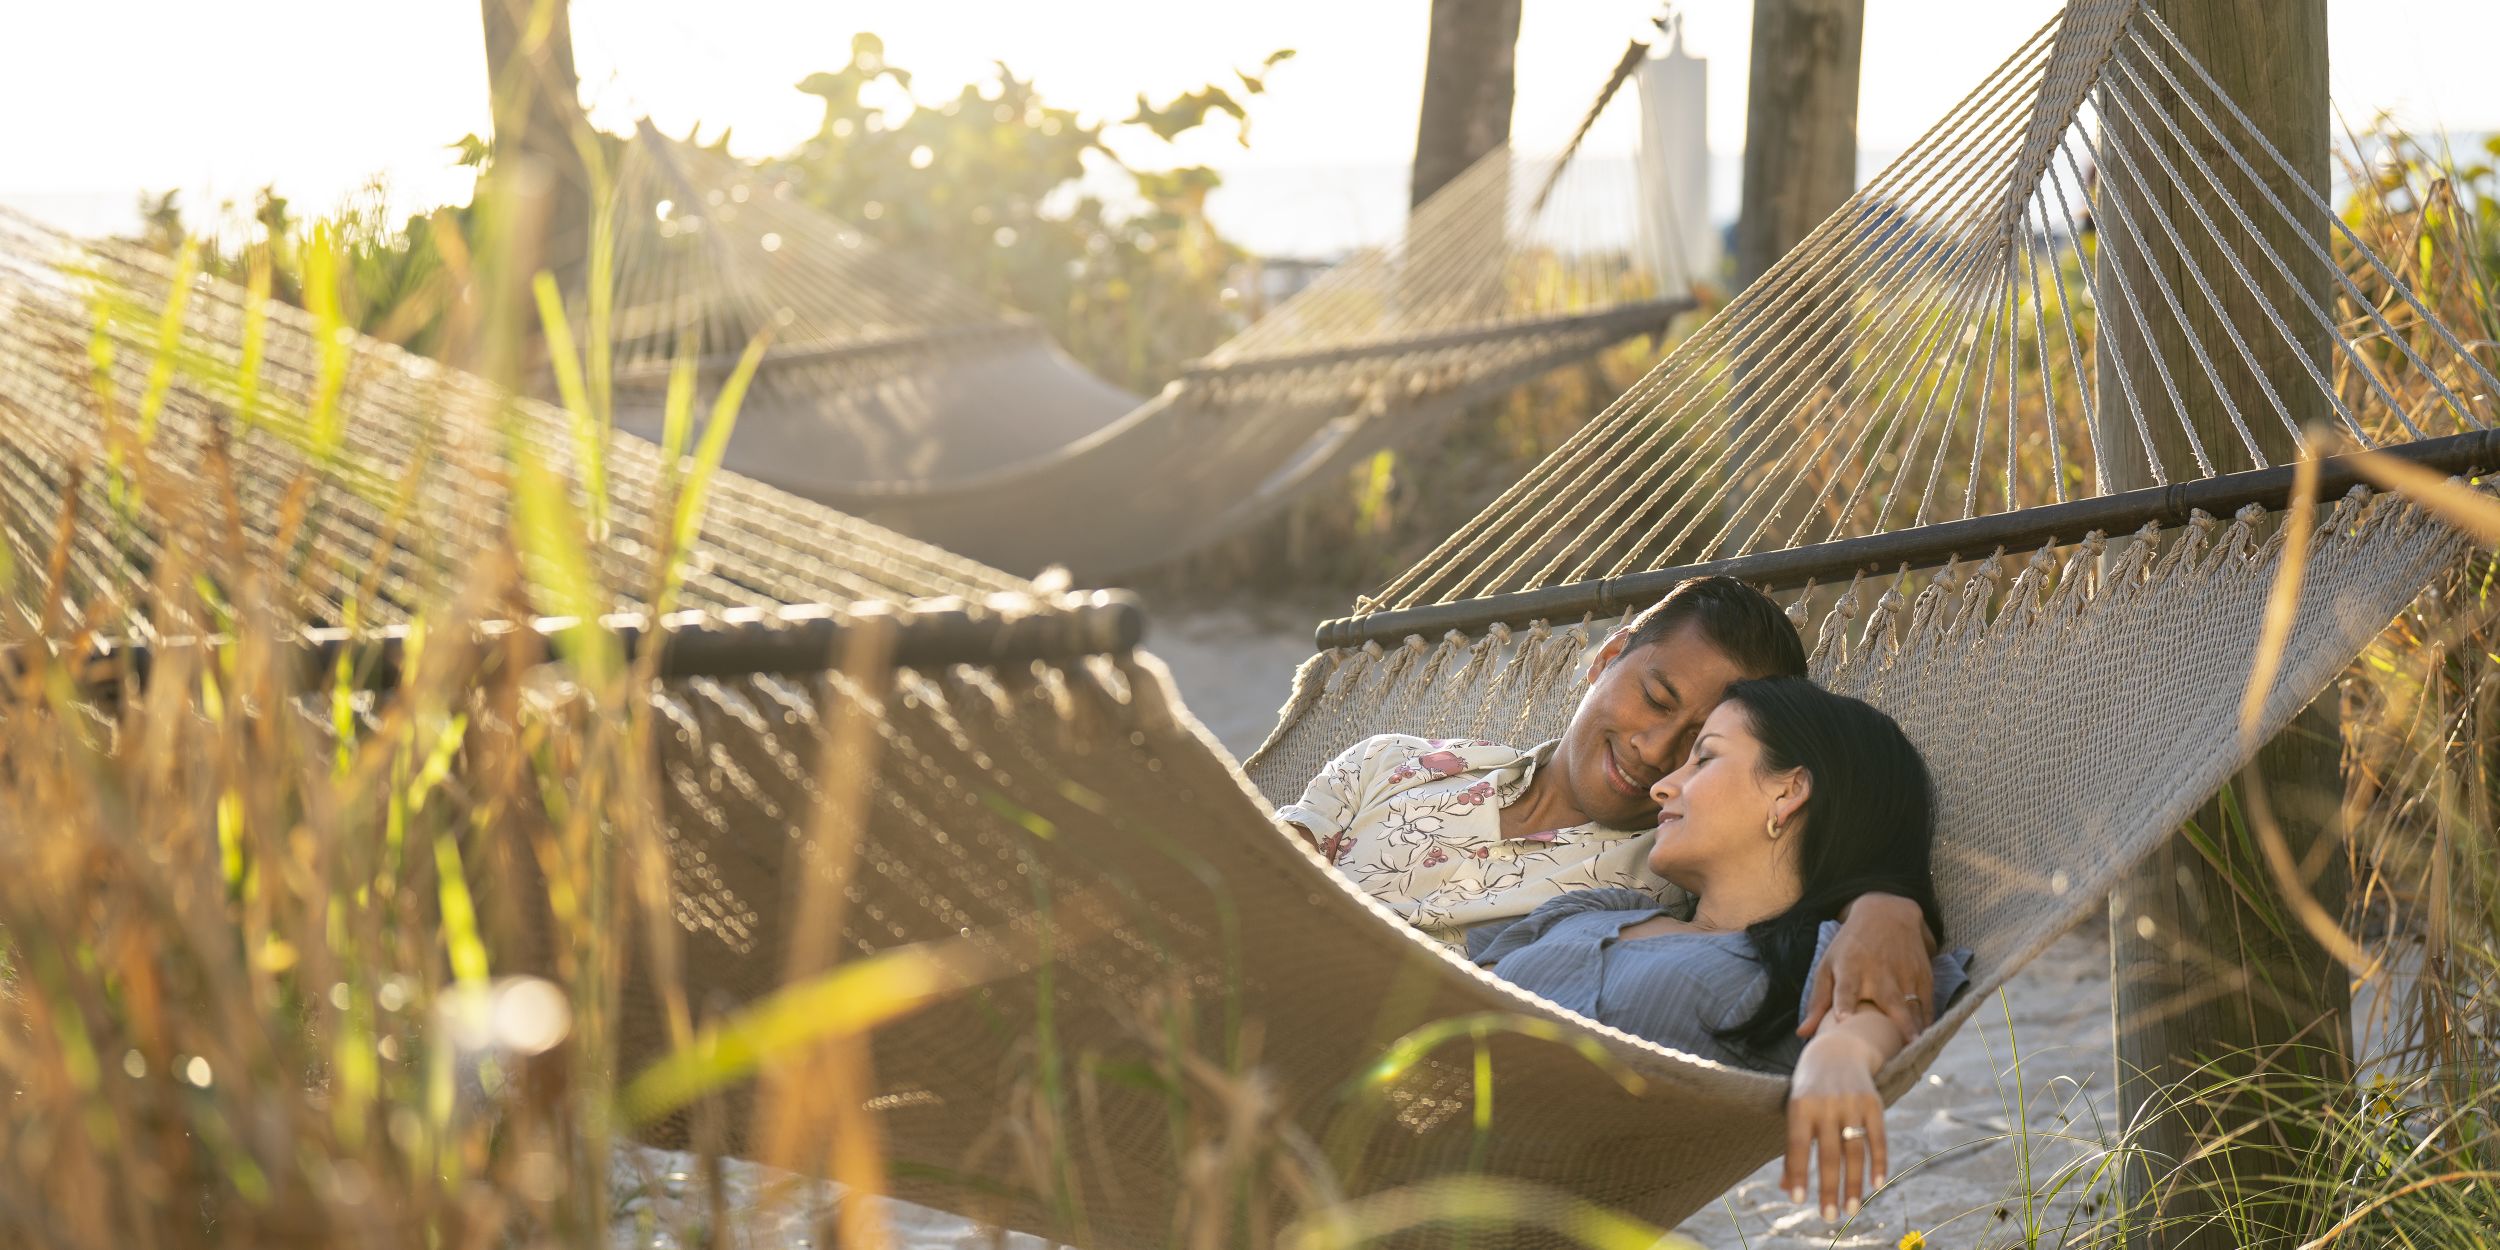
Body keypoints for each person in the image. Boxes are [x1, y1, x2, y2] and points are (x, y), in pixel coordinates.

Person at [1278, 576, 1939, 1042]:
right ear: (1609, 656)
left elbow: (1815, 859)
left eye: (1699, 747)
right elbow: (1252, 869)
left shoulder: (1666, 876)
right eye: (1655, 698)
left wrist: (1886, 902)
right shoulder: (1388, 762)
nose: (1656, 751)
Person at [1467, 677, 1970, 1223]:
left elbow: (1871, 1009)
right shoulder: (1596, 908)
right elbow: (1450, 997)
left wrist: (1841, 1055)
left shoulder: (1821, 960)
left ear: (1788, 791)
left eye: (1703, 760)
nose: (1663, 786)